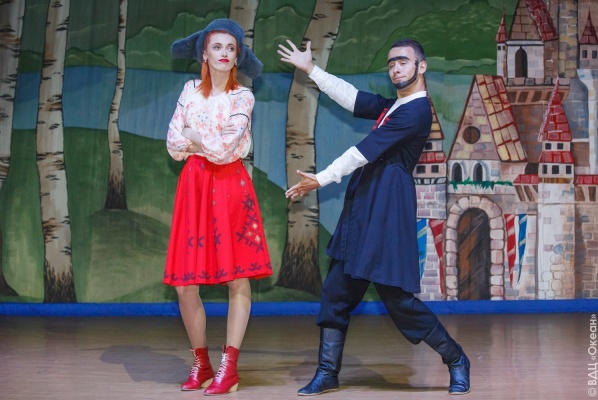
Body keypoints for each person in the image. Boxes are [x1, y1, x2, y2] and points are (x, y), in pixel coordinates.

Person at [278, 38, 470, 396]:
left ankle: (456, 359)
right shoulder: (395, 106)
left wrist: (321, 178)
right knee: (335, 291)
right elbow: (352, 98)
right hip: (365, 204)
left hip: (388, 208)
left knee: (398, 301)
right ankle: (327, 372)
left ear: (421, 67)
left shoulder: (416, 111)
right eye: (391, 63)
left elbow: (362, 152)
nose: (395, 67)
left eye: (403, 61)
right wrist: (311, 69)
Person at [164, 18, 272, 395]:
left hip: (230, 186)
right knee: (185, 284)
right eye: (217, 47)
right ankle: (202, 362)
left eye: (231, 48)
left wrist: (194, 136)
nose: (224, 53)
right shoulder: (189, 90)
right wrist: (195, 140)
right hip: (194, 186)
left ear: (237, 56)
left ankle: (230, 366)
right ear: (204, 54)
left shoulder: (243, 97)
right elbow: (173, 144)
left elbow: (227, 150)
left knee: (236, 277)